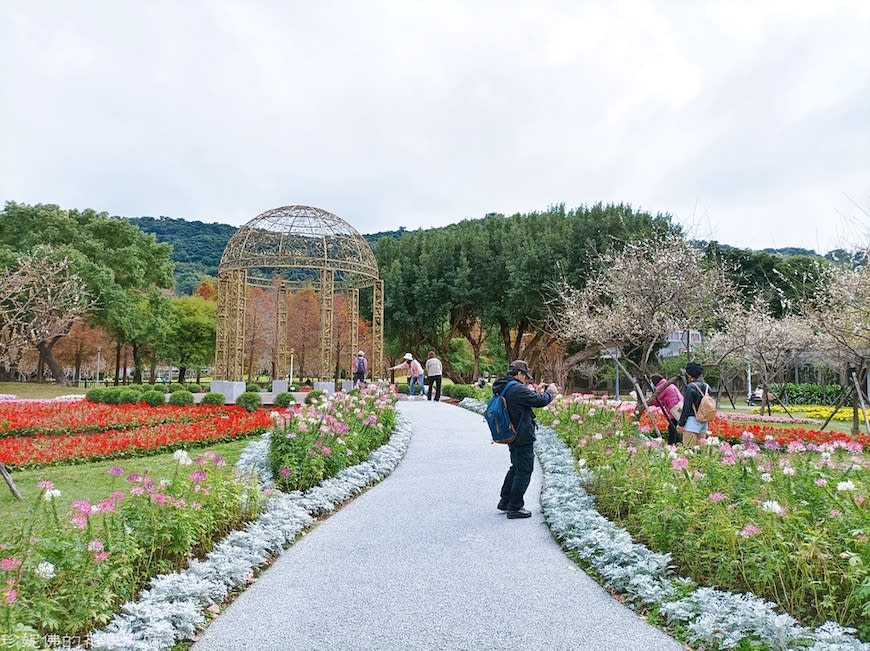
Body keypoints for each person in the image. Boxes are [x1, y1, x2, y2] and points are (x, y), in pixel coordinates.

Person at [492, 360, 558, 519]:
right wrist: (550, 393)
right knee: (524, 470)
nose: (525, 379)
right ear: (520, 374)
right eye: (525, 376)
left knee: (515, 467)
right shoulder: (517, 388)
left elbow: (525, 399)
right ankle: (515, 507)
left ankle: (505, 501)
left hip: (511, 433)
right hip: (522, 435)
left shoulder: (504, 385)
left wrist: (537, 391)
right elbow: (540, 401)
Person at [676, 361, 709, 447]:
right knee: (701, 452)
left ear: (689, 375)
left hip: (692, 422)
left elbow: (687, 407)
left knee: (688, 451)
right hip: (703, 422)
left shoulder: (691, 387)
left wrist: (681, 424)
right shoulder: (707, 386)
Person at [649, 373, 682, 444]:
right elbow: (660, 401)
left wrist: (646, 402)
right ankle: (676, 442)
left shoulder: (662, 388)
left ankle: (672, 443)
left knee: (673, 426)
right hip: (679, 405)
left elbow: (655, 400)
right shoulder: (668, 385)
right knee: (675, 425)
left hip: (674, 408)